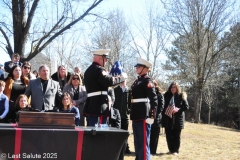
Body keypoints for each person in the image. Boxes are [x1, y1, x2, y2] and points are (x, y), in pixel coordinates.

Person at [83, 49, 125, 126]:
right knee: (100, 133)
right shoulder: (99, 70)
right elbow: (109, 81)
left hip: (92, 105)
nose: (106, 61)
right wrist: (122, 78)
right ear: (100, 58)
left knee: (92, 133)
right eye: (105, 58)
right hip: (99, 107)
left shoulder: (88, 70)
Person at [129, 57, 158, 160]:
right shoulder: (138, 81)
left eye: (139, 66)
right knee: (137, 143)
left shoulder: (147, 81)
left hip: (143, 115)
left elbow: (154, 99)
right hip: (136, 114)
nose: (136, 68)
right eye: (137, 66)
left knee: (144, 143)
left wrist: (152, 116)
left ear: (145, 68)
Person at [162, 82, 189, 156]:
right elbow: (162, 105)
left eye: (174, 87)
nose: (172, 88)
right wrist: (166, 109)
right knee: (168, 135)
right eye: (171, 87)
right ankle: (171, 150)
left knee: (176, 136)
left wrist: (178, 110)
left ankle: (176, 150)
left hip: (178, 119)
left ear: (177, 88)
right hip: (168, 119)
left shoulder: (181, 96)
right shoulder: (166, 95)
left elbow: (186, 106)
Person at [113, 72, 131, 154]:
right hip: (117, 116)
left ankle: (125, 148)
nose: (122, 81)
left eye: (124, 79)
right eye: (121, 79)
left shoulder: (129, 91)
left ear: (126, 80)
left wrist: (128, 111)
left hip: (125, 116)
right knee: (117, 133)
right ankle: (117, 149)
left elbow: (131, 103)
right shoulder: (115, 90)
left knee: (125, 133)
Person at [150, 80, 164, 155]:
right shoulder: (147, 93)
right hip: (148, 118)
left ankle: (153, 151)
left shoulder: (159, 94)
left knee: (155, 136)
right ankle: (147, 150)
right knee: (148, 135)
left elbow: (161, 106)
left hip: (156, 118)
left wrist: (154, 115)